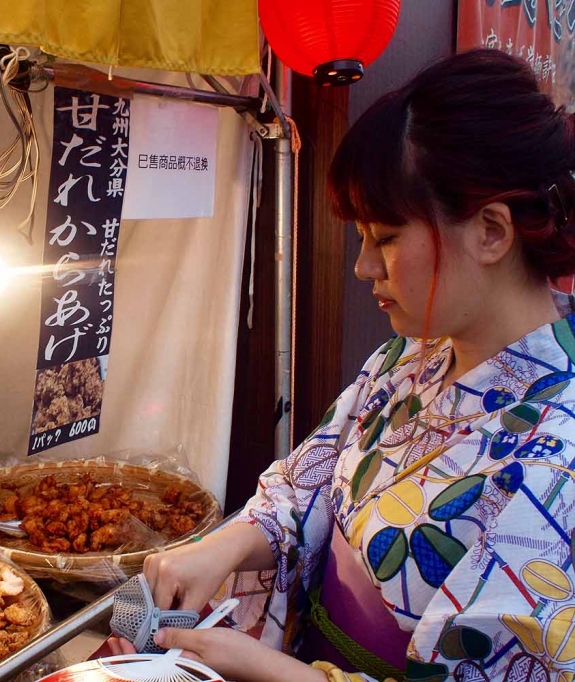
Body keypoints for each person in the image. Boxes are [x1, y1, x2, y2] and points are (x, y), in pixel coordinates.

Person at [107, 49, 575, 681]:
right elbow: (315, 475)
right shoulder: (411, 356)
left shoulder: (561, 461)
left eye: (384, 237)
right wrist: (226, 545)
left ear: (492, 231)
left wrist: (261, 666)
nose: (364, 268)